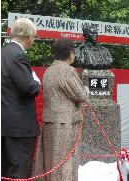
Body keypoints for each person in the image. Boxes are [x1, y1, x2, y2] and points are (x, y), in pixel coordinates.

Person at [33, 38, 89, 181]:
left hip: (49, 122)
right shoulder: (67, 71)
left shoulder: (48, 71)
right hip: (65, 125)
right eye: (73, 52)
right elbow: (81, 95)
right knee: (64, 163)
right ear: (70, 53)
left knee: (50, 161)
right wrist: (86, 90)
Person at [1, 18, 40, 178]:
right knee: (19, 172)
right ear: (29, 36)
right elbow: (29, 87)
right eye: (34, 36)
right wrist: (36, 80)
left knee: (4, 170)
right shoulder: (18, 56)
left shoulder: (2, 53)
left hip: (4, 124)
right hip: (18, 128)